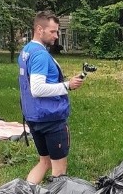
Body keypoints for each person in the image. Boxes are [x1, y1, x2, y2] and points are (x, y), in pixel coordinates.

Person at [18, 11, 84, 184]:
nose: (56, 36)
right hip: (50, 119)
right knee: (59, 171)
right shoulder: (40, 55)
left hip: (33, 117)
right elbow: (37, 89)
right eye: (53, 31)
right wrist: (67, 85)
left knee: (44, 162)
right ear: (39, 29)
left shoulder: (26, 51)